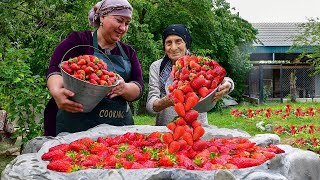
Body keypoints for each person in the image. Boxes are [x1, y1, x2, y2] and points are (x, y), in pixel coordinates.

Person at [44, 0, 144, 136]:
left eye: (127, 24)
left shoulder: (128, 52)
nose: (123, 28)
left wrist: (124, 88)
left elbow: (138, 86)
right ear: (102, 17)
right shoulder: (78, 41)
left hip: (116, 128)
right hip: (75, 125)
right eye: (119, 20)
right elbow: (55, 69)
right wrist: (56, 90)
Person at [146, 24, 234, 126]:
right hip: (166, 129)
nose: (173, 47)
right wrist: (165, 102)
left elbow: (221, 78)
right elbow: (150, 107)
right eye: (168, 43)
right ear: (164, 46)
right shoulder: (157, 67)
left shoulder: (198, 63)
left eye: (178, 41)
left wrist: (228, 85)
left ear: (186, 43)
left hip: (198, 127)